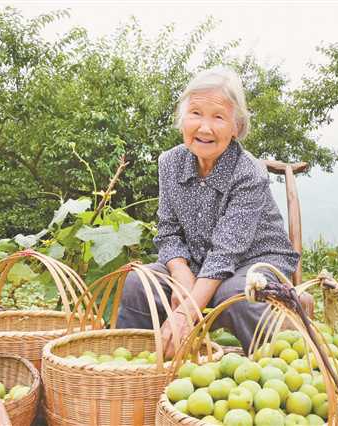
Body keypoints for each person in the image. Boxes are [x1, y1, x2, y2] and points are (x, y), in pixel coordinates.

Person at [117, 66, 299, 357]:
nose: (204, 127)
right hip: (197, 265)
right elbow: (169, 232)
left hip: (254, 263)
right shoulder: (170, 163)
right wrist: (181, 275)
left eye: (218, 117)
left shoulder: (248, 171)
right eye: (196, 113)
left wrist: (186, 310)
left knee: (237, 295)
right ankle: (134, 367)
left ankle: (276, 366)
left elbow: (227, 252)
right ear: (182, 119)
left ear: (236, 127)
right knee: (141, 282)